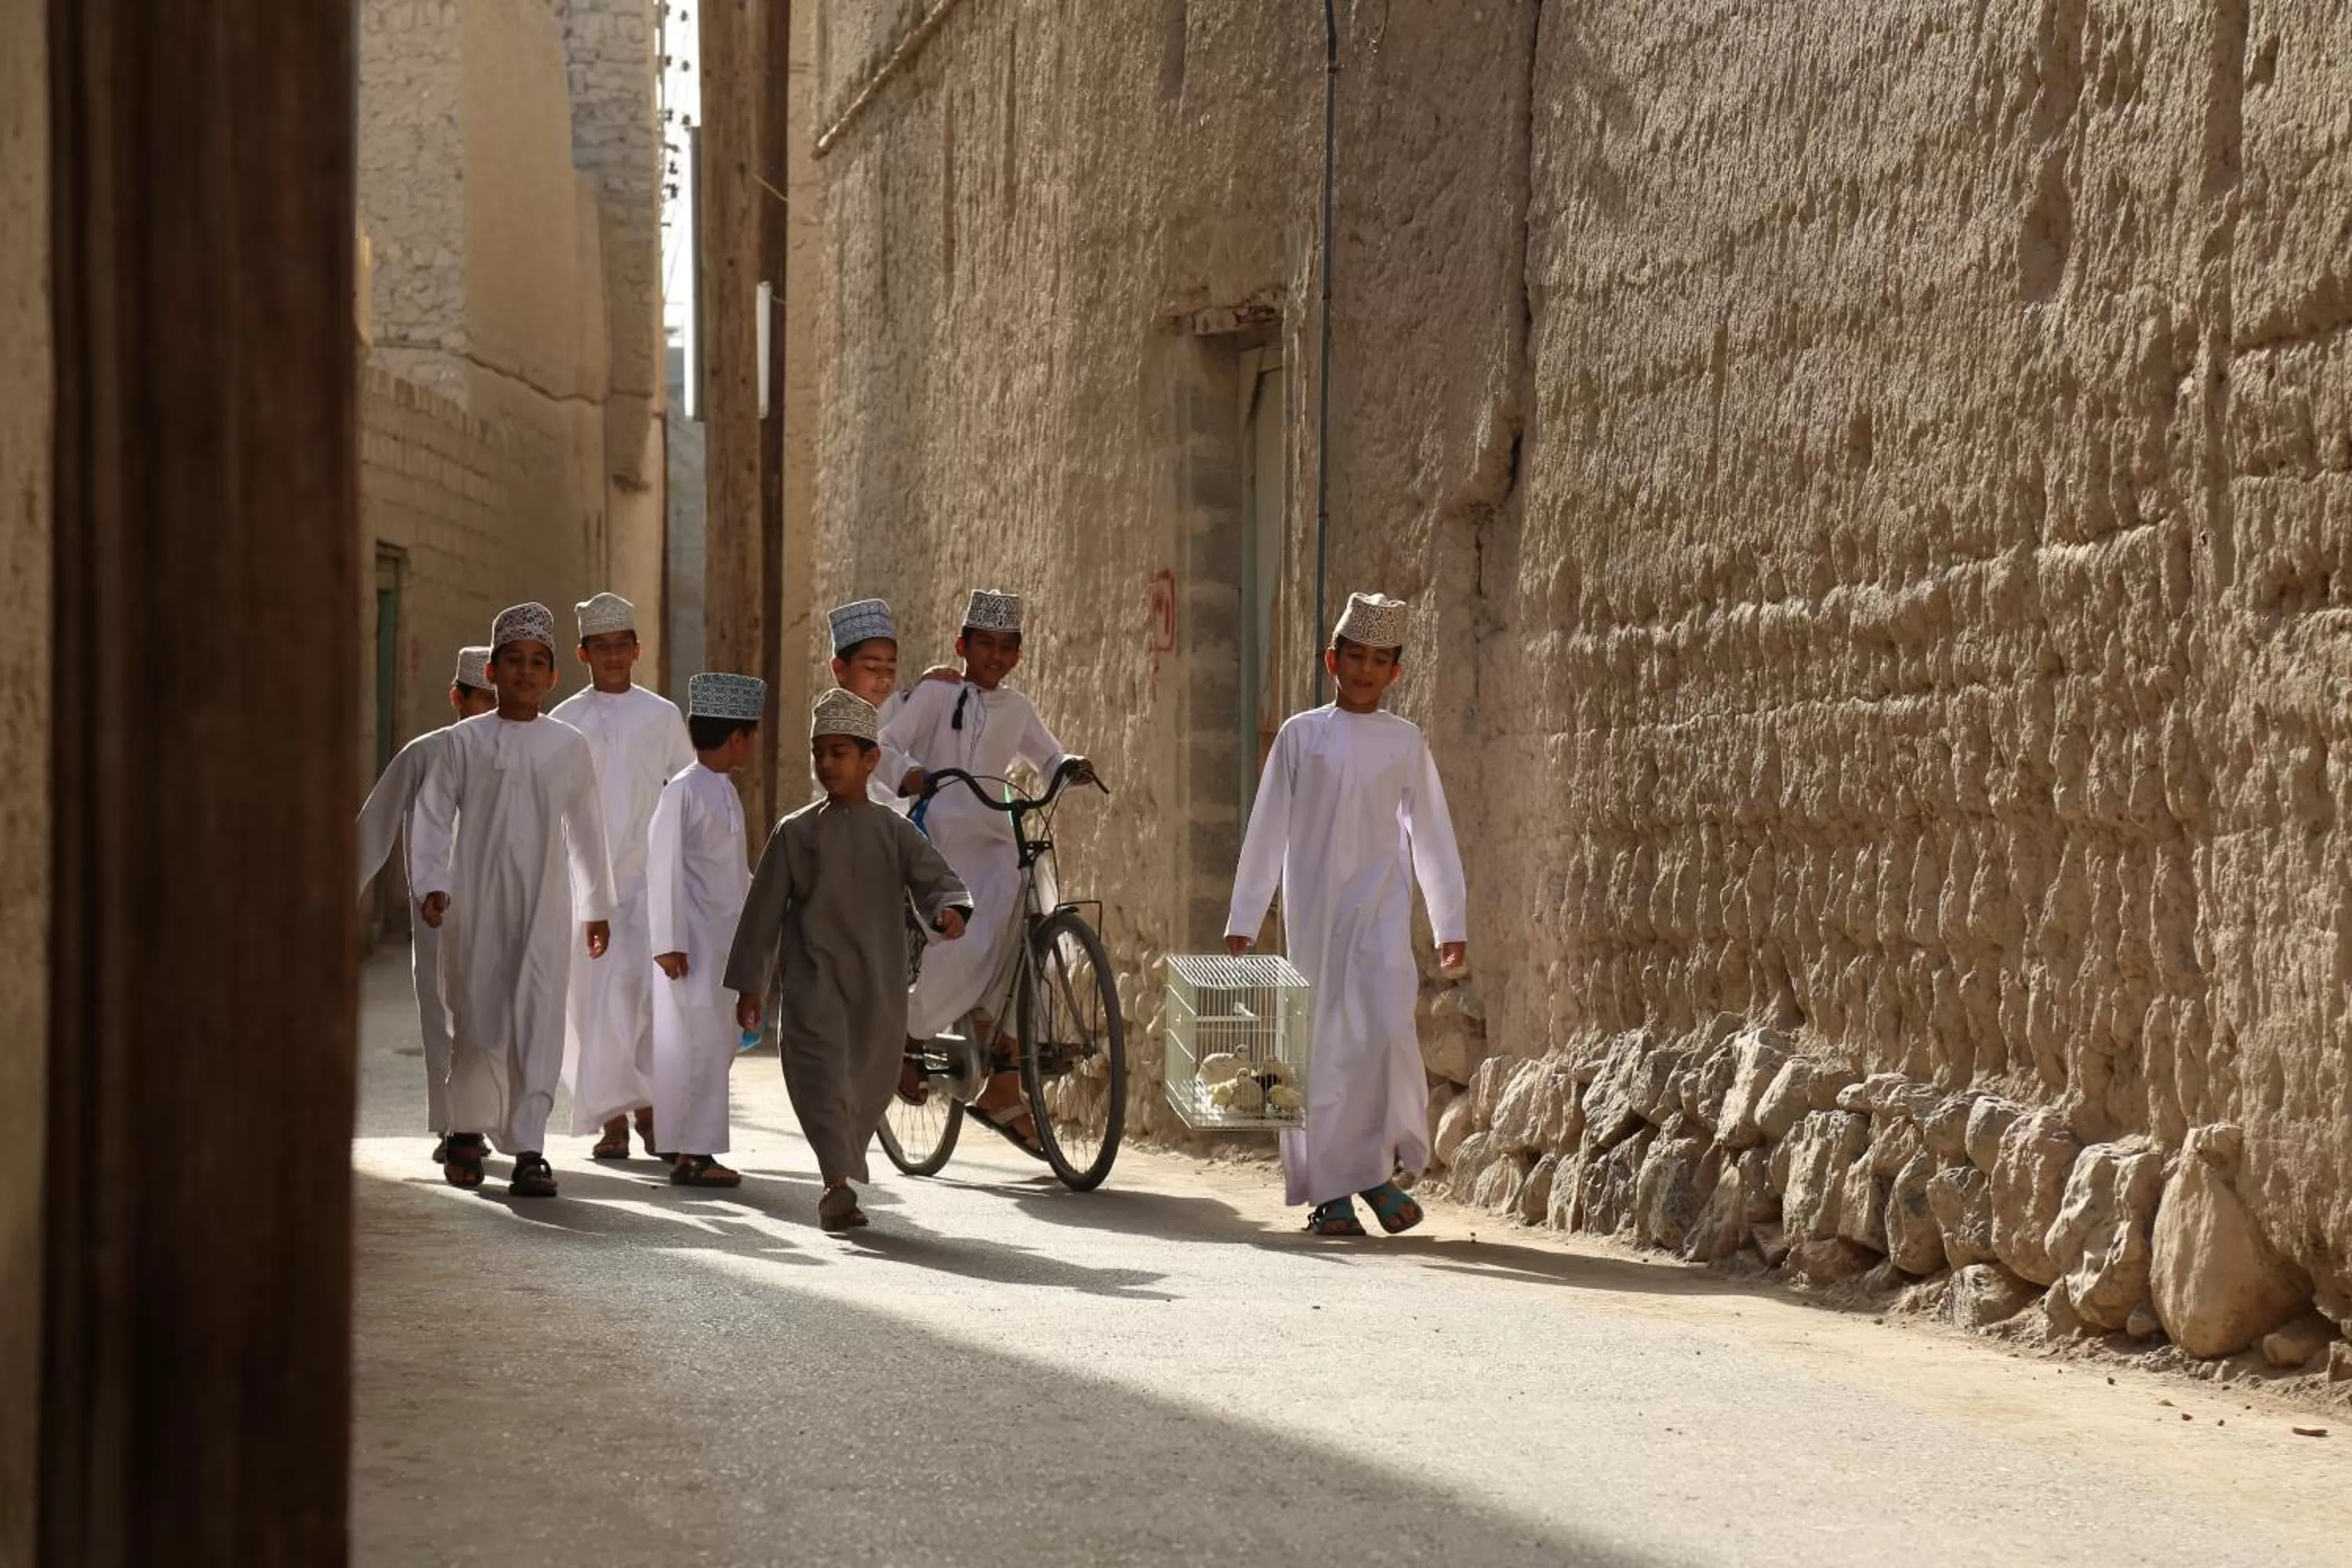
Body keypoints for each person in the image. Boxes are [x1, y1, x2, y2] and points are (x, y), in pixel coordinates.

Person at [1225, 592, 1468, 1238]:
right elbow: (1267, 824)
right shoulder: (1303, 736)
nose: (1364, 669)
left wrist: (1450, 924)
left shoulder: (1406, 741)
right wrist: (1245, 912)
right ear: (1332, 659)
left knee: (1386, 1034)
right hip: (1314, 914)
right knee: (1321, 1047)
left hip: (1381, 910)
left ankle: (1373, 1173)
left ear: (1396, 672)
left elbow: (1432, 834)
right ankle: (1332, 1193)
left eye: (1379, 660)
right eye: (1354, 656)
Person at [725, 690, 974, 1232]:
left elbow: (936, 880)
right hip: (813, 984)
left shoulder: (894, 831)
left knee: (864, 1082)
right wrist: (751, 988)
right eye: (820, 753)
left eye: (840, 752)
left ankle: (842, 1168)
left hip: (877, 990)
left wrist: (949, 909)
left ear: (870, 760)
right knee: (817, 1077)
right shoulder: (796, 832)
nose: (828, 764)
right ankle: (836, 1181)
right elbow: (762, 913)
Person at [880, 588, 1094, 1156]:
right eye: (985, 645)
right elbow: (883, 744)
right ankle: (912, 1022)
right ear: (963, 645)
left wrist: (1068, 766)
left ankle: (1004, 1054)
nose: (996, 656)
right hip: (941, 828)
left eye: (1007, 647)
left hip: (996, 827)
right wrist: (912, 774)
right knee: (971, 924)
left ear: (1019, 654)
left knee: (1029, 905)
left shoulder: (1017, 708)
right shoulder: (935, 693)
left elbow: (1047, 755)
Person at [412, 604, 616, 1197]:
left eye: (537, 663)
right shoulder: (462, 742)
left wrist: (596, 905)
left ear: (553, 677)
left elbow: (586, 828)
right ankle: (467, 1135)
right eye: (513, 662)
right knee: (477, 1015)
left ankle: (531, 1147)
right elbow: (432, 817)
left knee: (538, 1016)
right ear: (493, 672)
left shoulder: (567, 745)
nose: (525, 673)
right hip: (474, 900)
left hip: (545, 902)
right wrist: (432, 884)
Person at [551, 592, 695, 1161]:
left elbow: (685, 793)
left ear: (636, 650)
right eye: (599, 647)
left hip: (642, 880)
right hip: (582, 884)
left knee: (641, 997)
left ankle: (651, 1111)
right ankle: (610, 1119)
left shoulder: (661, 716)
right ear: (583, 653)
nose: (611, 656)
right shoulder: (564, 720)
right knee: (592, 1003)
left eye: (620, 646)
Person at [355, 644, 496, 1163]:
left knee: (495, 1016)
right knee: (441, 1016)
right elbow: (376, 826)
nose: (492, 709)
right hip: (437, 911)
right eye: (484, 699)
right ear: (457, 697)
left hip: (502, 907)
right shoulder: (423, 753)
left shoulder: (523, 751)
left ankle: (491, 1119)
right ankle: (455, 1125)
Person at [648, 672, 763, 1189]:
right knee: (699, 1047)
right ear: (737, 736)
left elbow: (733, 872)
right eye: (751, 735)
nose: (752, 746)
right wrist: (668, 942)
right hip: (692, 945)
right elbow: (662, 867)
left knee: (713, 1045)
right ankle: (695, 1154)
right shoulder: (684, 791)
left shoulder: (725, 791)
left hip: (723, 944)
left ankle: (684, 1145)